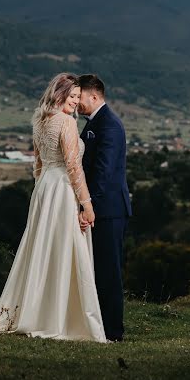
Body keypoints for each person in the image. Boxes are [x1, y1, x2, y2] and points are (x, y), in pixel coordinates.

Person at [0, 73, 106, 342]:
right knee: (62, 247)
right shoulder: (66, 123)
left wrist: (40, 192)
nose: (75, 102)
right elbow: (73, 167)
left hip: (45, 187)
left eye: (78, 98)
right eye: (72, 96)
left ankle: (35, 309)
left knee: (41, 246)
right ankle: (56, 317)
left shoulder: (40, 121)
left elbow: (38, 165)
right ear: (59, 95)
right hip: (61, 188)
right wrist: (86, 204)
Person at [78, 74, 132, 342]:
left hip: (108, 210)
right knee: (95, 269)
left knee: (109, 271)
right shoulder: (95, 123)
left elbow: (103, 172)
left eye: (81, 97)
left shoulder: (108, 125)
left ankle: (113, 331)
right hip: (99, 207)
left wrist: (88, 206)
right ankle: (97, 325)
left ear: (95, 96)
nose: (77, 102)